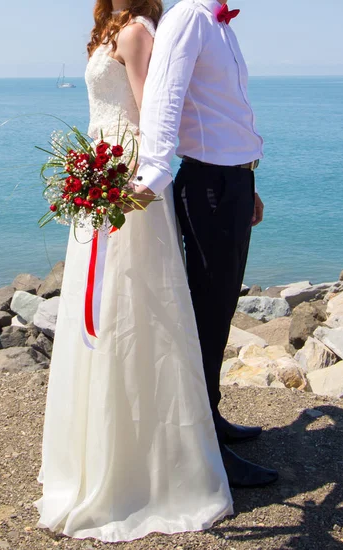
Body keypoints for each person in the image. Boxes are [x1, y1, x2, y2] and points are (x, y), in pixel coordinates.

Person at [35, 0, 233, 542]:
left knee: (131, 303)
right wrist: (85, 168)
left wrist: (122, 177)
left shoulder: (140, 31)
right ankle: (95, 451)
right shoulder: (108, 29)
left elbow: (152, 116)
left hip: (125, 181)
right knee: (98, 300)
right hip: (101, 168)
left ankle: (145, 464)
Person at [132, 0, 279, 488]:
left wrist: (248, 182)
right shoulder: (189, 17)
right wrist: (154, 169)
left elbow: (224, 113)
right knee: (207, 317)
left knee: (220, 312)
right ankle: (203, 446)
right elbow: (163, 96)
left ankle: (209, 418)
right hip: (209, 187)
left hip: (232, 183)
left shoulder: (220, 25)